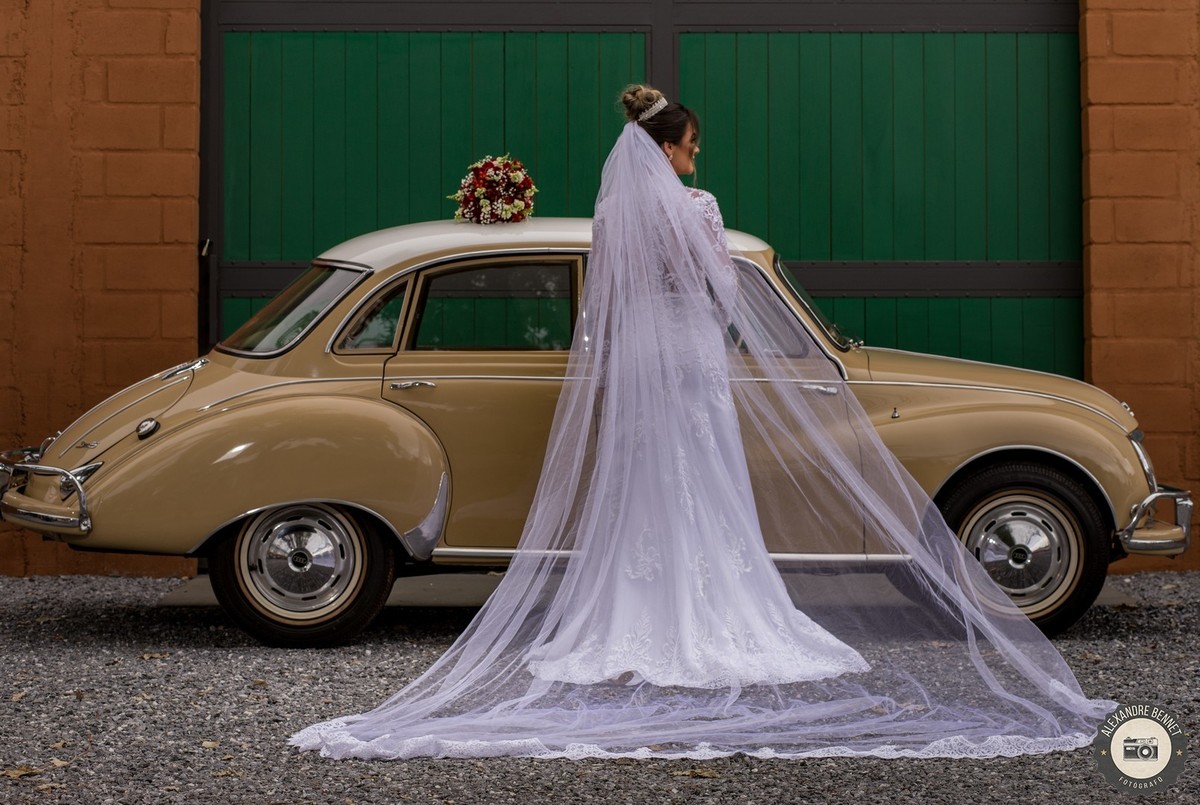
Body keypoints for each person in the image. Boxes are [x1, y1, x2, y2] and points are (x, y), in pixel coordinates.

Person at [291, 84, 1113, 760]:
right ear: (671, 150)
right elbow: (721, 299)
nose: (695, 159)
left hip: (642, 362)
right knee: (705, 479)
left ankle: (634, 609)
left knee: (647, 482)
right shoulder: (703, 209)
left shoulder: (613, 218)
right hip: (690, 361)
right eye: (689, 148)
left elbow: (608, 306)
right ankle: (720, 604)